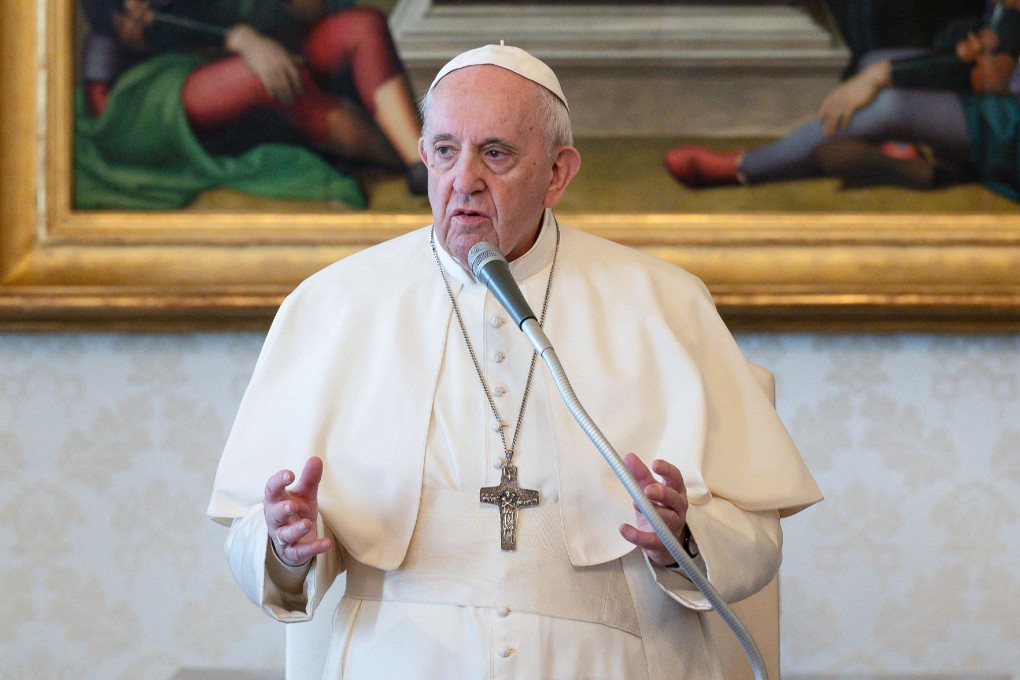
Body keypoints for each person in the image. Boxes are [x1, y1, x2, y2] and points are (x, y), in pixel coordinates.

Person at [208, 44, 822, 679]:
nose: (463, 179)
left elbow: (755, 537)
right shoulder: (334, 306)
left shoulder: (662, 302)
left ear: (558, 173)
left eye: (495, 153)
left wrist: (683, 538)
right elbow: (259, 547)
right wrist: (284, 543)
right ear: (424, 157)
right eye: (445, 151)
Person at [75, 0, 426, 210]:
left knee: (362, 26)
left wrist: (310, 7)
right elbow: (146, 24)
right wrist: (241, 39)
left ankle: (419, 161)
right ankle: (415, 162)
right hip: (144, 95)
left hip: (264, 47)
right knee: (278, 79)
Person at [664, 0, 1020, 202]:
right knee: (872, 62)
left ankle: (744, 167)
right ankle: (932, 164)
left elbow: (993, 69)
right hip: (1002, 95)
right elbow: (986, 46)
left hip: (1011, 128)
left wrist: (885, 74)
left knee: (889, 104)